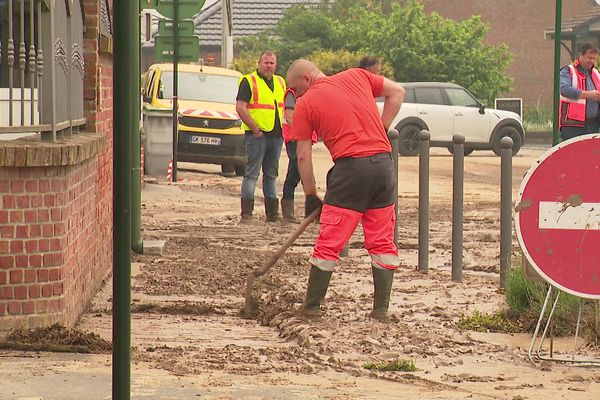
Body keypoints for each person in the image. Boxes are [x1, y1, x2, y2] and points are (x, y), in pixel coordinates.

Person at [286, 59, 405, 320]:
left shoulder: (306, 103)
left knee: (330, 242)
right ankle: (381, 310)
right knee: (382, 240)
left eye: (295, 90)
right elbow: (398, 92)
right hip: (384, 167)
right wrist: (382, 129)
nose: (295, 97)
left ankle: (312, 308)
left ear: (306, 80)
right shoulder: (358, 76)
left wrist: (310, 195)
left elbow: (302, 156)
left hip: (351, 171)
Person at [236, 51, 286, 222]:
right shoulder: (248, 81)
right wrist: (255, 129)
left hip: (277, 135)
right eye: (266, 63)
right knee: (251, 174)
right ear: (259, 63)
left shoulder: (280, 81)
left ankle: (272, 214)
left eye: (272, 63)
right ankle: (247, 214)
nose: (269, 66)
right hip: (257, 136)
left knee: (271, 175)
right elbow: (240, 107)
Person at [281, 88, 318, 223]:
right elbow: (289, 117)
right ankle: (311, 212)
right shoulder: (293, 94)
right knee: (299, 173)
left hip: (300, 138)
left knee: (296, 174)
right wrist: (303, 132)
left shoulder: (306, 94)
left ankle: (307, 212)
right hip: (295, 139)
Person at [559, 42, 600, 141]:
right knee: (572, 155)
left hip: (594, 125)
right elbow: (564, 89)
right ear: (581, 55)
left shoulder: (596, 73)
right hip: (572, 125)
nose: (592, 61)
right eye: (589, 58)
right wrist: (589, 94)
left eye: (594, 58)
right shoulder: (568, 71)